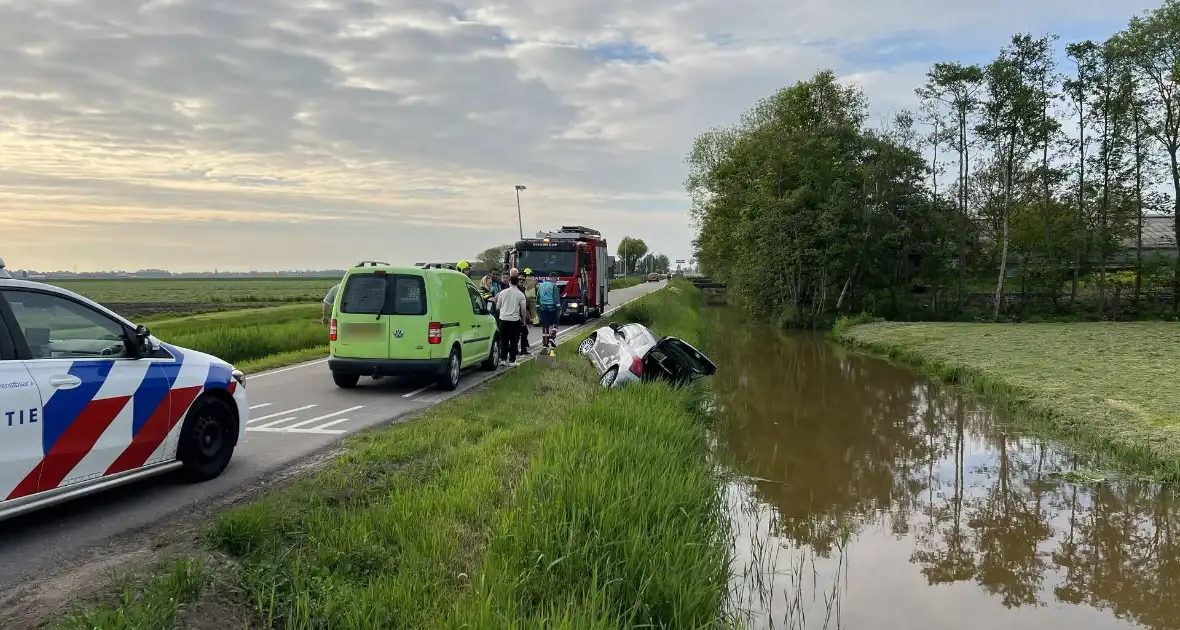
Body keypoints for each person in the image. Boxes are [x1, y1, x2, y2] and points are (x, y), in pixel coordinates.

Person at [495, 275, 528, 366]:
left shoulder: (503, 292)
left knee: (504, 340)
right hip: (514, 320)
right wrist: (524, 320)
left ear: (509, 282)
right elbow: (523, 309)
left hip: (503, 319)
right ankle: (512, 361)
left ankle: (503, 359)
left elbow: (498, 306)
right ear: (517, 283)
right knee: (514, 341)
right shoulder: (520, 294)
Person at [537, 271, 561, 348]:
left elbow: (538, 296)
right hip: (552, 307)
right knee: (555, 323)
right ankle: (552, 337)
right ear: (552, 278)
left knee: (545, 325)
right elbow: (556, 297)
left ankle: (545, 342)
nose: (556, 280)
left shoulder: (541, 285)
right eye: (556, 278)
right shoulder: (554, 286)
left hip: (543, 307)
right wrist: (559, 307)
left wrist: (537, 306)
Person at [518, 268, 538, 355]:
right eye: (519, 279)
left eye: (523, 279)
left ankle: (523, 349)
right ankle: (517, 350)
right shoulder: (516, 288)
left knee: (524, 331)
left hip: (521, 314)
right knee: (518, 333)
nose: (521, 280)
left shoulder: (522, 287)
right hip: (515, 314)